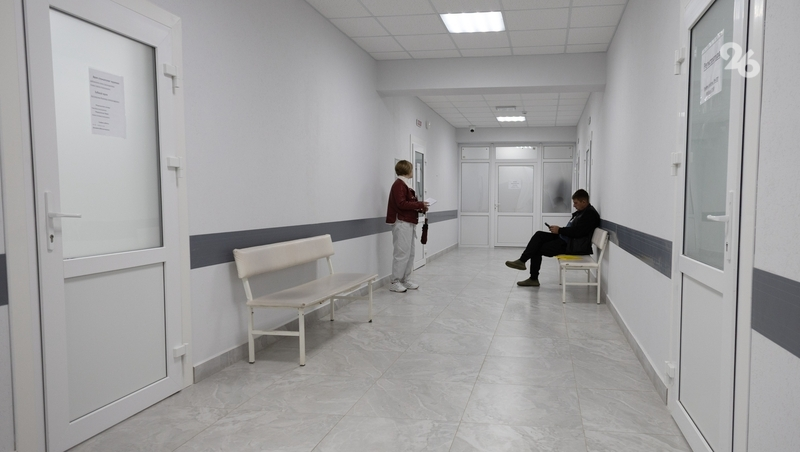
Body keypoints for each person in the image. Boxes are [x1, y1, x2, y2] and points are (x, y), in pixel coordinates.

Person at [505, 189, 600, 287]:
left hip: (572, 246)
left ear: (583, 202)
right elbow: (574, 230)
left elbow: (578, 232)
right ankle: (522, 261)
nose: (574, 205)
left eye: (576, 203)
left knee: (536, 249)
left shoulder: (590, 214)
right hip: (567, 240)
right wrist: (558, 230)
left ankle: (533, 278)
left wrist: (560, 230)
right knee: (539, 234)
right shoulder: (582, 212)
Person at [386, 160, 429, 293]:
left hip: (408, 222)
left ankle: (405, 279)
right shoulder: (398, 185)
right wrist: (419, 204)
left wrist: (420, 208)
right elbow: (401, 204)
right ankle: (395, 282)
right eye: (411, 169)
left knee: (410, 253)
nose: (413, 171)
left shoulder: (405, 185)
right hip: (401, 223)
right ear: (407, 170)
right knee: (401, 253)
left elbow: (408, 204)